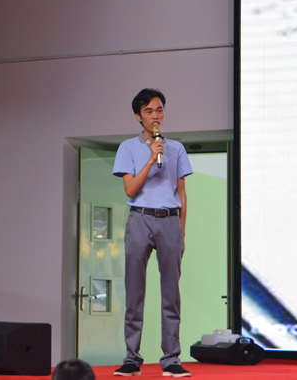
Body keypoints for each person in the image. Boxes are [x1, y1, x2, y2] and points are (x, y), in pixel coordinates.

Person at [112, 88, 193, 378]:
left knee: (171, 294)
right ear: (139, 116)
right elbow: (130, 189)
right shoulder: (128, 148)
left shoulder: (177, 149)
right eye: (149, 111)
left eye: (159, 110)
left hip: (169, 221)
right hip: (140, 219)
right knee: (134, 292)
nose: (155, 116)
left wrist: (182, 232)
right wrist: (150, 158)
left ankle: (171, 358)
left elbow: (181, 193)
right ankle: (131, 358)